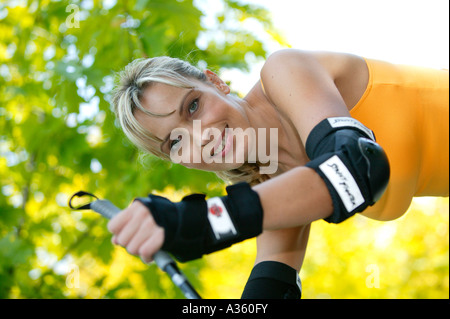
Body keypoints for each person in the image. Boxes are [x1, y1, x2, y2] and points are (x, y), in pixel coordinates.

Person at [107, 49, 449, 299]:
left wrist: (199, 221)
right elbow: (271, 289)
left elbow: (359, 166)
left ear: (215, 81)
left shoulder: (282, 73)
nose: (201, 136)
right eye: (176, 142)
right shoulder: (272, 187)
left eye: (193, 106)